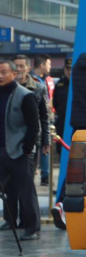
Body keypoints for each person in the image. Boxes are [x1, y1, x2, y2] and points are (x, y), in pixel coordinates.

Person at [0, 58, 42, 240]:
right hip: (2, 149)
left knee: (26, 191)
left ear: (14, 74)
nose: (0, 76)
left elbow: (34, 125)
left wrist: (27, 148)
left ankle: (32, 228)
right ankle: (10, 220)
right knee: (7, 190)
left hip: (19, 151)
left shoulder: (25, 95)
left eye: (3, 72)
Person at [14, 55, 50, 185]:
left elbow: (44, 116)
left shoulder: (39, 88)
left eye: (21, 66)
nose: (18, 69)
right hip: (10, 139)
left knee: (27, 180)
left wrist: (46, 140)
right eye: (16, 66)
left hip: (31, 139)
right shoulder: (6, 88)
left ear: (28, 68)